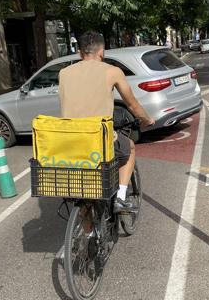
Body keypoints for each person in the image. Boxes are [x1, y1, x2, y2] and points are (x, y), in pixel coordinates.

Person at [59, 31, 154, 212]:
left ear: (80, 53)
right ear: (102, 52)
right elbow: (132, 105)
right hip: (98, 140)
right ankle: (120, 198)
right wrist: (147, 119)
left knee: (85, 195)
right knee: (130, 148)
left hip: (69, 141)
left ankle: (87, 234)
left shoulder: (63, 73)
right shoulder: (112, 71)